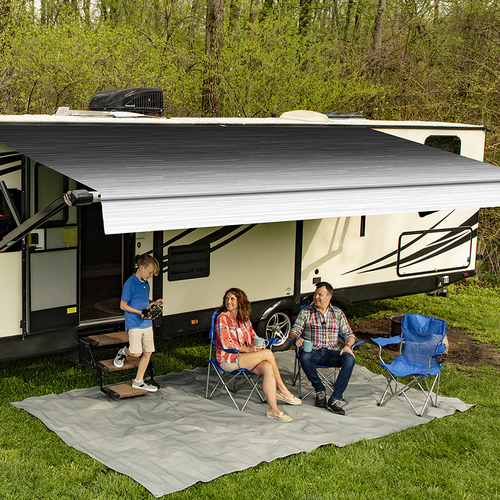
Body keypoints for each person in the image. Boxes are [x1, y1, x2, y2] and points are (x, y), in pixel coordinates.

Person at [215, 287, 301, 422]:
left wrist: (260, 344)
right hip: (229, 360)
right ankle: (282, 389)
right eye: (226, 298)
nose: (228, 301)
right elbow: (226, 345)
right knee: (268, 354)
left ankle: (273, 409)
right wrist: (248, 350)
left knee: (267, 366)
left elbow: (253, 336)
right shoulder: (222, 318)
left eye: (232, 298)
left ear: (240, 301)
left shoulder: (244, 318)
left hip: (245, 358)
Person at [289, 281, 356, 415]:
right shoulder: (306, 312)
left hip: (332, 352)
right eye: (315, 294)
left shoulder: (338, 313)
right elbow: (293, 332)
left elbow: (349, 335)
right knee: (304, 356)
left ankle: (335, 398)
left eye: (320, 295)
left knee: (350, 359)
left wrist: (348, 346)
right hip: (313, 352)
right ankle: (320, 389)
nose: (316, 297)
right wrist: (297, 338)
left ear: (328, 297)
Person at [113, 254, 164, 392]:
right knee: (136, 353)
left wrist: (154, 303)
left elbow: (143, 301)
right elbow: (123, 305)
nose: (151, 276)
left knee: (148, 351)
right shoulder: (130, 284)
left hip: (147, 323)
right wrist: (139, 312)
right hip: (134, 323)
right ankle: (123, 352)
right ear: (141, 268)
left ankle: (138, 381)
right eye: (150, 272)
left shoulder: (146, 284)